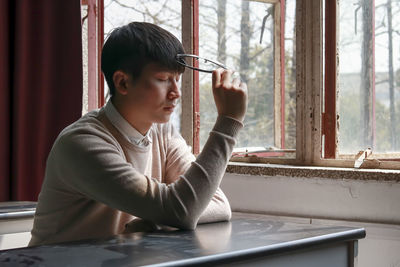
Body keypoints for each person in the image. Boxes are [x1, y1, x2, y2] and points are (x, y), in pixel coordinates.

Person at [29, 22, 247, 246]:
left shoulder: (163, 132)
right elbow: (184, 209)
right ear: (123, 82)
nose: (176, 93)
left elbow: (217, 204)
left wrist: (157, 221)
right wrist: (228, 123)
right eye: (163, 80)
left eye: (177, 80)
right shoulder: (83, 143)